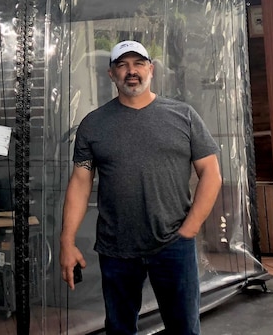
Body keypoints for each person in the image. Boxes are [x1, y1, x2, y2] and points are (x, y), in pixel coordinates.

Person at [60, 40, 222, 335]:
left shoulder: (183, 116)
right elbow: (80, 183)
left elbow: (211, 173)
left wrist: (191, 227)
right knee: (120, 330)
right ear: (111, 74)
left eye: (138, 64)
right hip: (116, 248)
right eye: (122, 65)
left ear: (151, 69)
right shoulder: (93, 125)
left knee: (184, 329)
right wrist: (67, 242)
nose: (131, 71)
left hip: (173, 243)